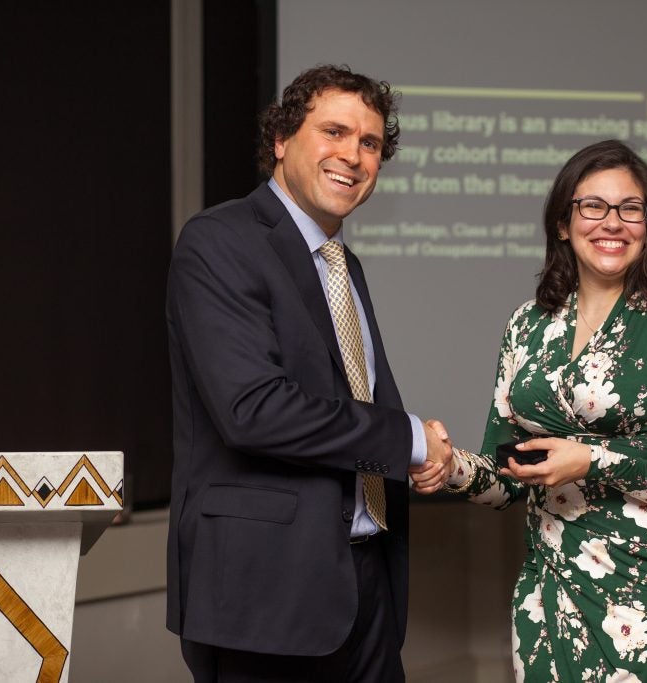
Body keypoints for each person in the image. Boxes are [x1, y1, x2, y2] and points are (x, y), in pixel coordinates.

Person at [165, 64, 452, 683]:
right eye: (334, 132)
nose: (352, 155)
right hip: (266, 594)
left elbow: (349, 397)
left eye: (370, 143)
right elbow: (254, 411)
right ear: (281, 139)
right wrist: (408, 441)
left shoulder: (343, 264)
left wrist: (421, 453)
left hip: (365, 583)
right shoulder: (219, 241)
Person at [440, 139, 647, 682]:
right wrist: (446, 467)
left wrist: (592, 461)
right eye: (593, 206)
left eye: (630, 209)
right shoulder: (527, 325)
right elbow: (505, 477)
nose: (613, 223)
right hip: (549, 586)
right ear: (563, 222)